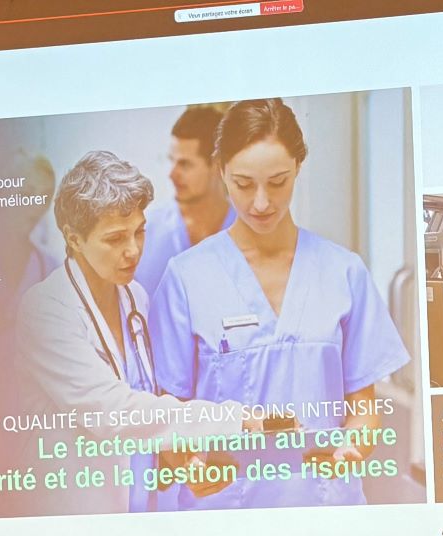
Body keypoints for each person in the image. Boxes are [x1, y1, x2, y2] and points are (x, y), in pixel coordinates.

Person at [149, 98, 410, 510]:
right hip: (224, 515)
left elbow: (364, 411)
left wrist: (353, 451)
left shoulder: (344, 272)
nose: (261, 203)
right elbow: (169, 417)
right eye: (243, 183)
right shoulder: (185, 278)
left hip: (325, 509)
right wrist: (188, 464)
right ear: (222, 173)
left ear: (298, 169)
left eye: (277, 182)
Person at [16, 150, 265, 513]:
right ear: (73, 237)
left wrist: (185, 463)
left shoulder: (134, 298)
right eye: (115, 238)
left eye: (139, 232)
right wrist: (225, 418)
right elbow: (113, 412)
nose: (133, 250)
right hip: (71, 517)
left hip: (134, 514)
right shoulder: (45, 310)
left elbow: (147, 403)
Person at [133, 105, 237, 293]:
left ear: (217, 165)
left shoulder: (248, 231)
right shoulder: (144, 230)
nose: (172, 174)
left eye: (185, 164)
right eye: (171, 160)